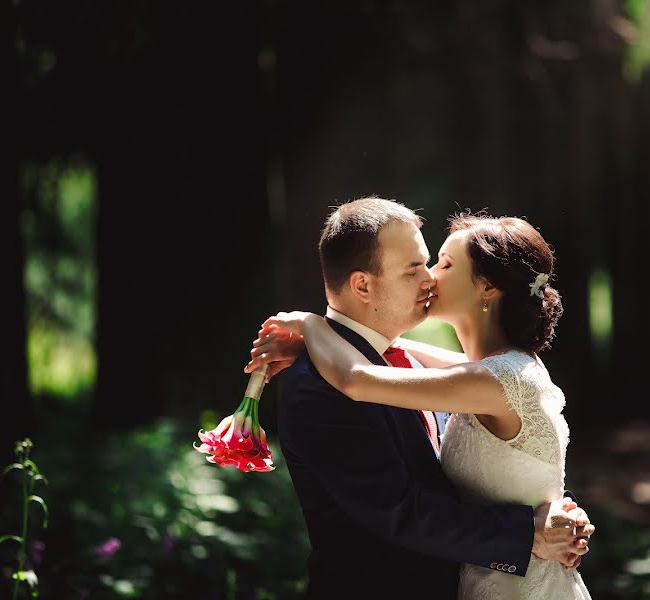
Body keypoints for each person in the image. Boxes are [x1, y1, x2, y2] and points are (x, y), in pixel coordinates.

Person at [246, 197, 593, 600]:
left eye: (436, 263)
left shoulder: (430, 367)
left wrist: (552, 510)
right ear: (362, 284)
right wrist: (528, 533)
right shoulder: (319, 387)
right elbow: (399, 511)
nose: (429, 279)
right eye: (414, 269)